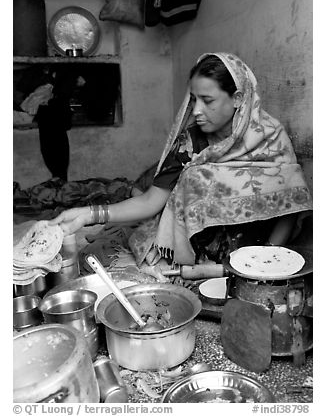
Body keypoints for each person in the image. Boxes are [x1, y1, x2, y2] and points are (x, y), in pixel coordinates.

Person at [50, 53, 312, 270]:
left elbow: (290, 204)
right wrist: (87, 215)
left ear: (238, 99)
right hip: (200, 251)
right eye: (194, 99)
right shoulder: (189, 143)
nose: (196, 111)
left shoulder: (271, 137)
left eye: (207, 100)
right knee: (193, 179)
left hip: (262, 249)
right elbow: (150, 202)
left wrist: (267, 260)